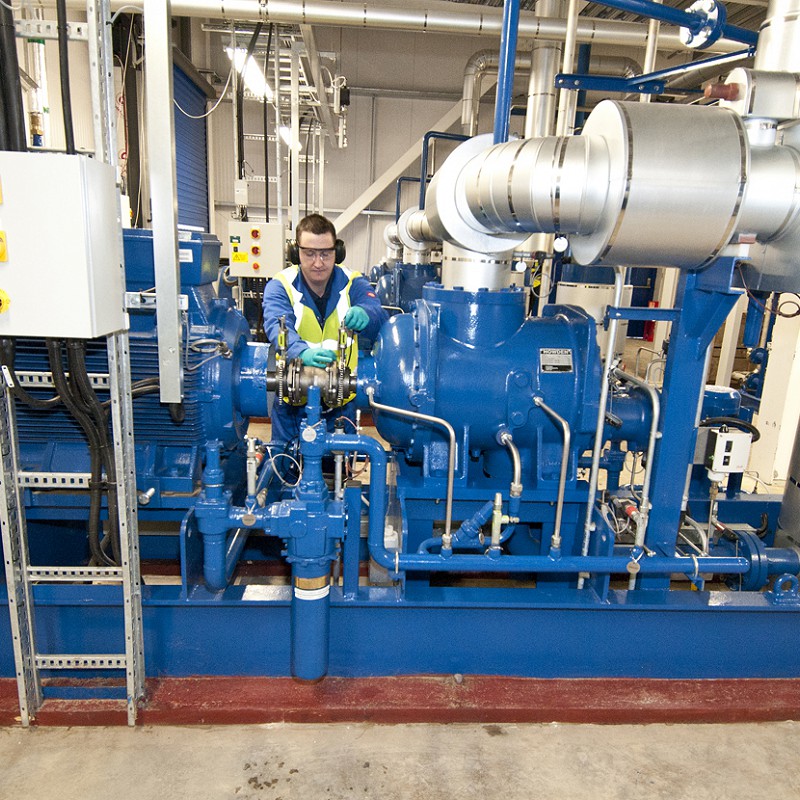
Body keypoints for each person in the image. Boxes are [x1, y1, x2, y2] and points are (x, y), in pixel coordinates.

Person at [262, 214, 388, 443]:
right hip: (292, 404)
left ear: (337, 253)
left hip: (340, 405)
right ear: (295, 253)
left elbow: (377, 310)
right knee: (286, 469)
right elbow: (275, 321)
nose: (318, 262)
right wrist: (300, 352)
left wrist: (366, 313)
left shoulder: (353, 282)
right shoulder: (281, 286)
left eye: (326, 254)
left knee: (339, 472)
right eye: (309, 253)